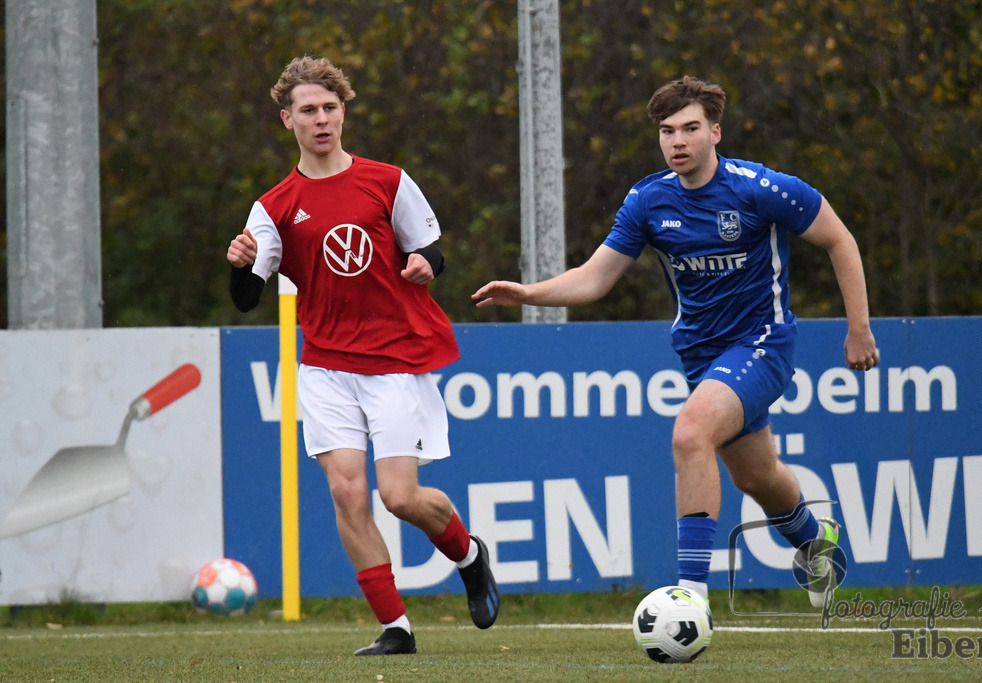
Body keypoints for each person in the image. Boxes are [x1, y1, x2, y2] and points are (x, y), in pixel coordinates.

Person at [473, 76, 879, 607]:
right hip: (700, 354)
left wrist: (859, 327)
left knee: (690, 434)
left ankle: (690, 597)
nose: (678, 141)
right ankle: (815, 542)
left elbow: (839, 239)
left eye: (690, 128)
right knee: (757, 476)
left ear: (715, 132)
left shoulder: (760, 188)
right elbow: (595, 279)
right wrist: (528, 292)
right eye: (667, 131)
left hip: (762, 343)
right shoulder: (648, 199)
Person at [227, 56, 499, 655]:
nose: (320, 119)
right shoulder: (273, 207)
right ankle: (396, 629)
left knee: (399, 497)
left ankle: (469, 554)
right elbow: (249, 298)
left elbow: (429, 245)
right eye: (307, 111)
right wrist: (245, 263)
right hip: (325, 365)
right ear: (287, 120)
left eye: (329, 108)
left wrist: (428, 262)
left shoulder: (387, 181)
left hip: (395, 359)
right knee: (347, 493)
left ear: (343, 112)